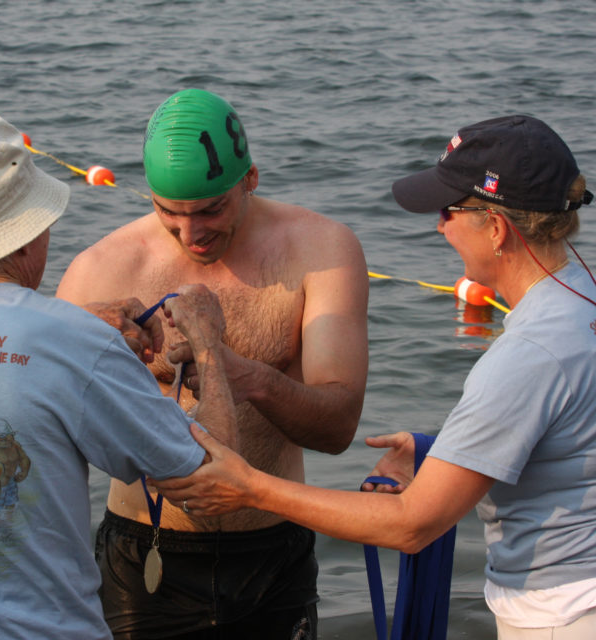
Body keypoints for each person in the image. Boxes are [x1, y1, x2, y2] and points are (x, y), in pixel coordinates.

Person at [153, 115, 596, 639]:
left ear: (496, 228)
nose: (439, 226)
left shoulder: (529, 355)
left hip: (569, 615)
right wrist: (443, 454)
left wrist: (248, 487)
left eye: (448, 210)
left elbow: (412, 524)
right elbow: (586, 441)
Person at [0, 112, 236, 639]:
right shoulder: (72, 340)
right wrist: (210, 347)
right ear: (27, 233)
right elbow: (212, 474)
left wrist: (80, 326)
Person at [57, 88, 369, 639]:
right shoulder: (101, 268)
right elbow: (40, 427)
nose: (190, 233)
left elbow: (338, 426)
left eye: (210, 210)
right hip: (143, 554)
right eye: (168, 213)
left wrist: (247, 377)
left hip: (274, 551)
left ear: (249, 179)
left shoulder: (322, 251)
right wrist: (76, 341)